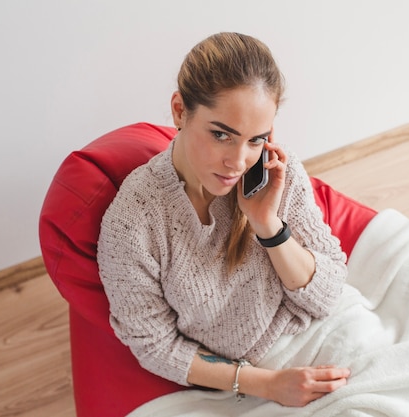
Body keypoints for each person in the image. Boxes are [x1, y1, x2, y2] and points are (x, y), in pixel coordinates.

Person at [98, 32, 351, 407]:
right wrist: (268, 385)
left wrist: (268, 226)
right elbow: (154, 344)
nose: (237, 162)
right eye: (221, 135)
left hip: (331, 332)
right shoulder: (132, 225)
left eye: (255, 139)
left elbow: (329, 295)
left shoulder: (274, 172)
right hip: (255, 380)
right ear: (180, 111)